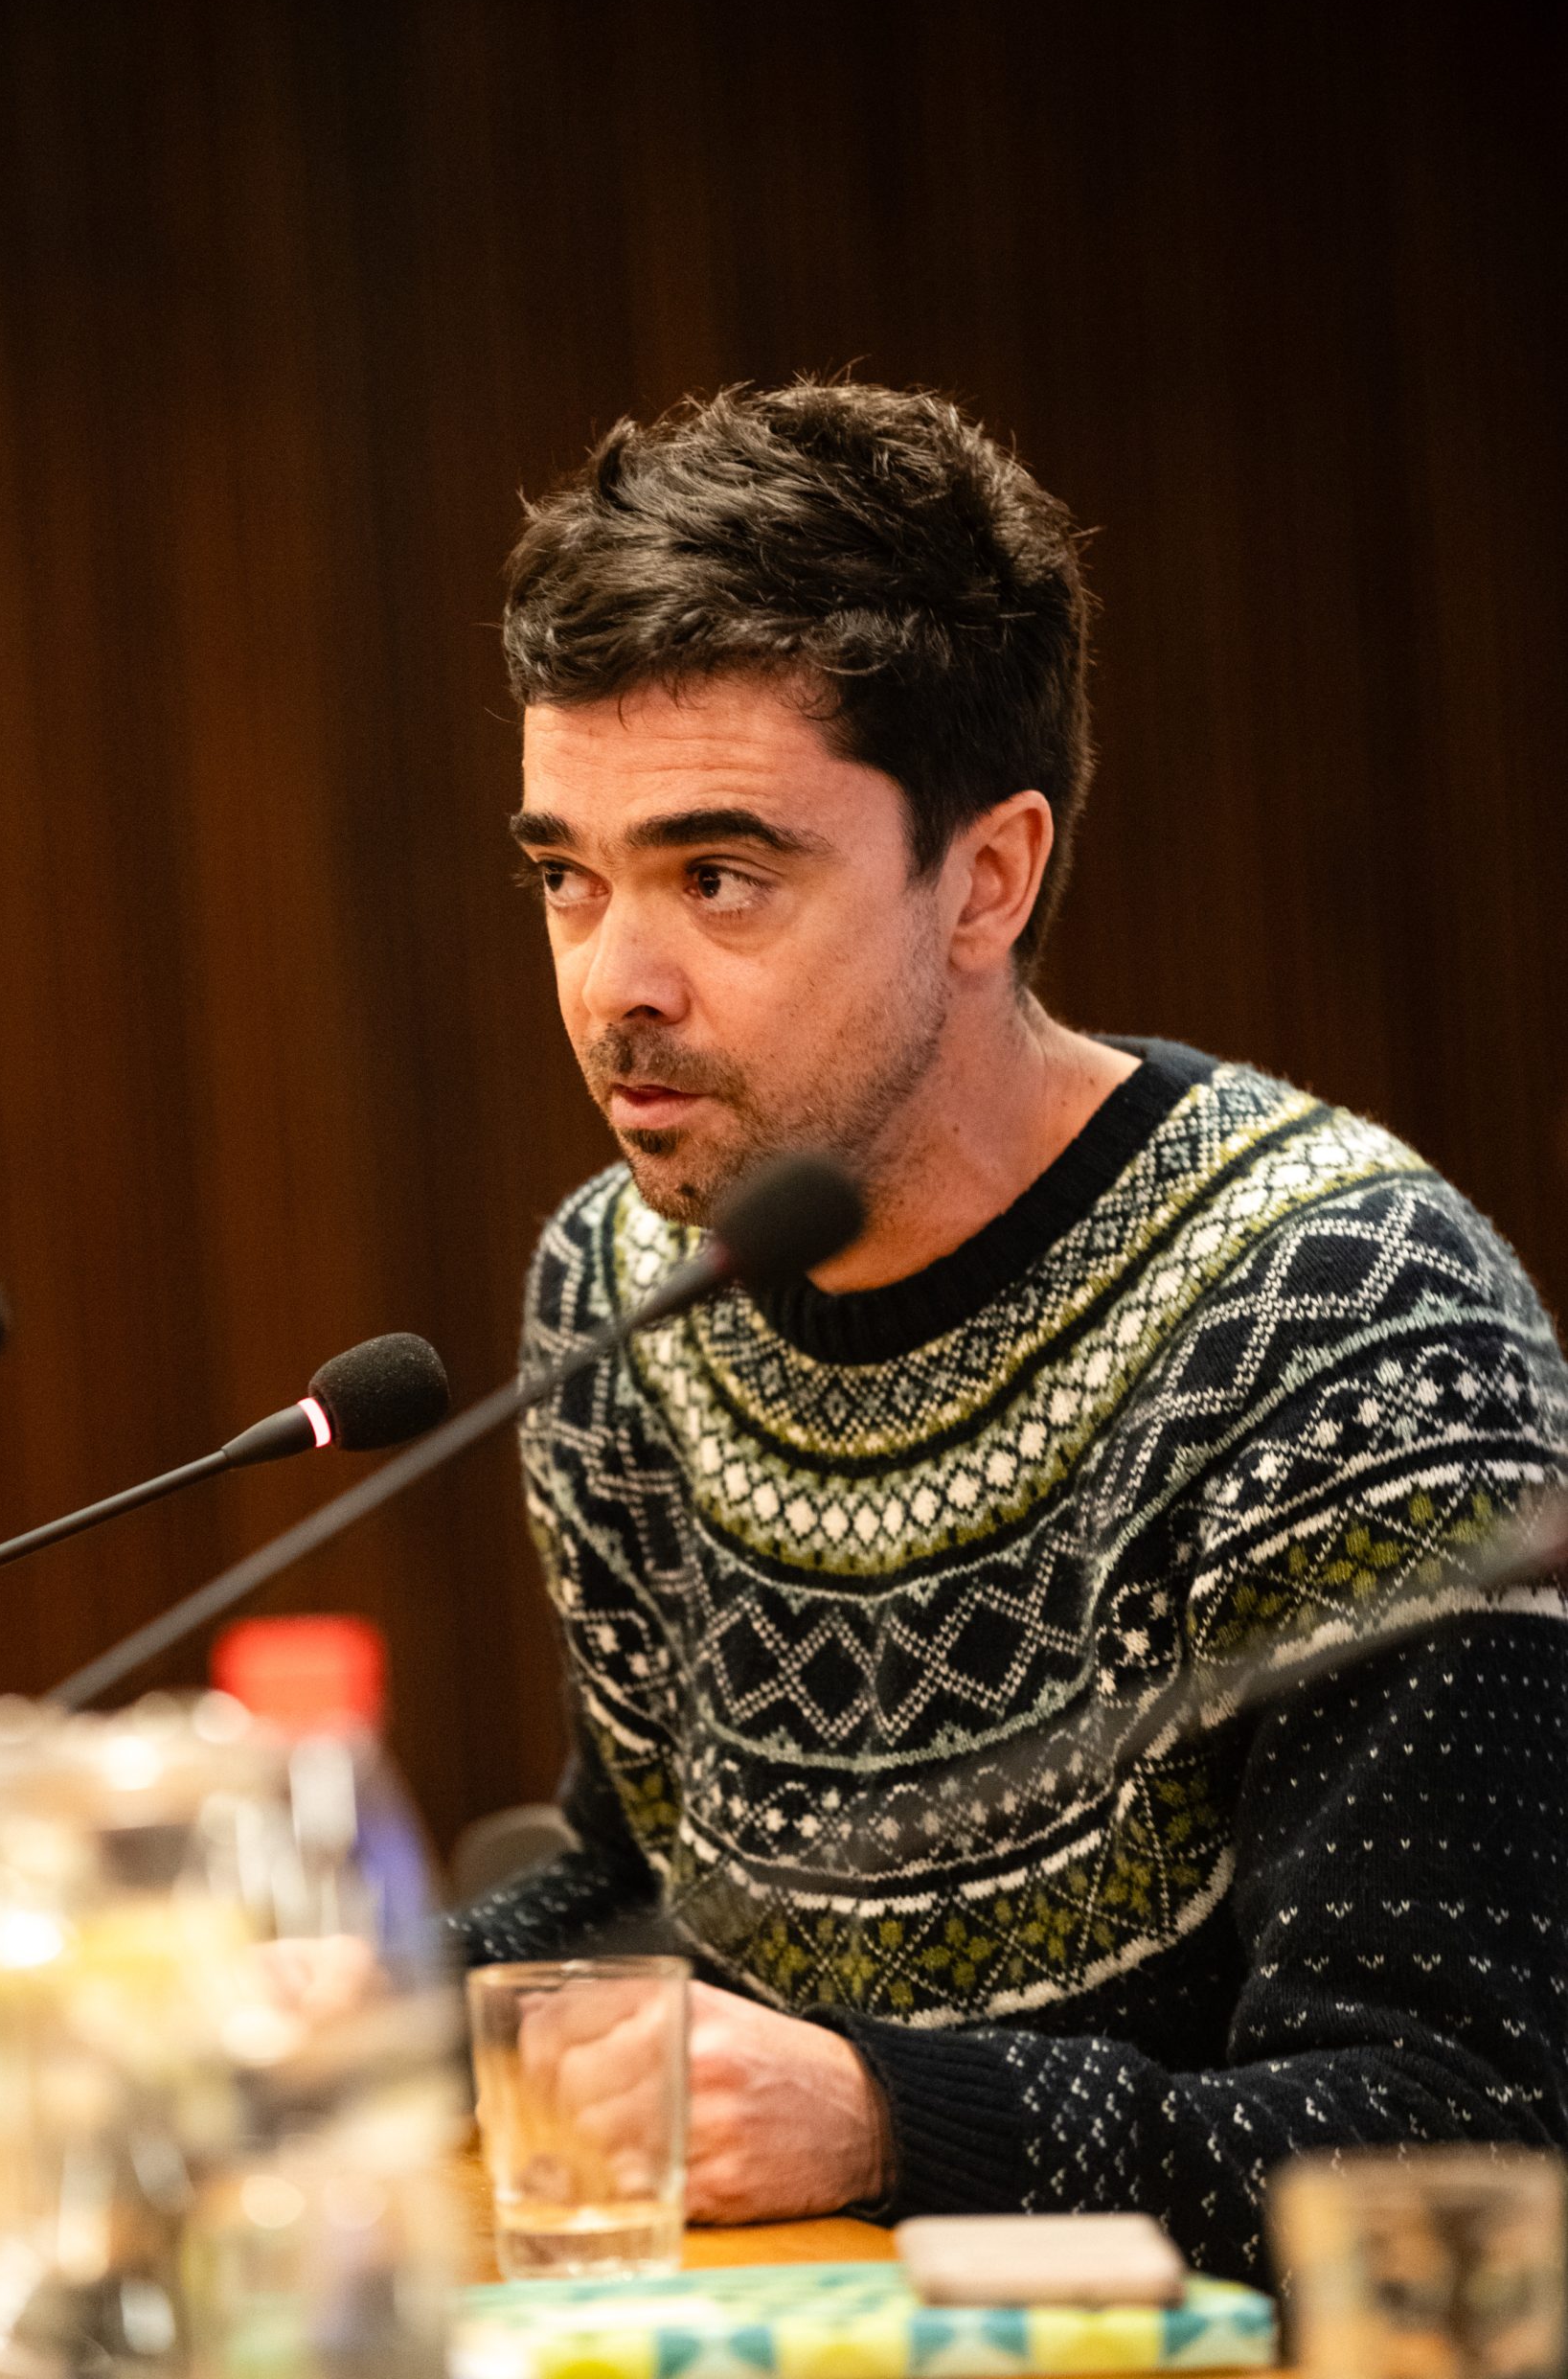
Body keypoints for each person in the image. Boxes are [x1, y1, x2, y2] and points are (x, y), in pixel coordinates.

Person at [450, 380, 1568, 2278]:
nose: (613, 982)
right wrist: (337, 1998)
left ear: (986, 878)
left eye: (717, 877)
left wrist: (894, 2114)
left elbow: (1464, 2132)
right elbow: (655, 1897)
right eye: (570, 875)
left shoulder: (1342, 1319)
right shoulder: (624, 1285)